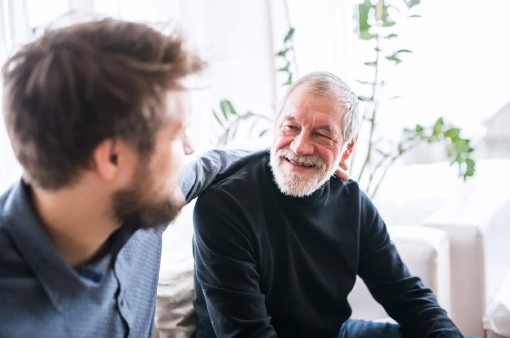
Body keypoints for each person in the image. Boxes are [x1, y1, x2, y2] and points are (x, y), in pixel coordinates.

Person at [0, 18, 333, 338]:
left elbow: (211, 164)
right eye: (176, 134)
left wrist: (301, 160)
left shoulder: (132, 193)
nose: (188, 148)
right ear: (112, 158)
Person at [193, 72, 476, 338]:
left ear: (347, 148)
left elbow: (405, 294)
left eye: (322, 134)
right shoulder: (224, 206)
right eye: (291, 126)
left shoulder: (354, 204)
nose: (300, 146)